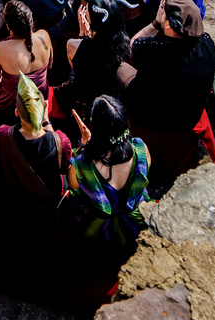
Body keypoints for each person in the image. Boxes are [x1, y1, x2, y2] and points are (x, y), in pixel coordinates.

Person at [125, 0, 215, 183]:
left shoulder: (152, 50)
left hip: (149, 120)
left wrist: (155, 23)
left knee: (120, 68)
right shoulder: (208, 44)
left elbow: (132, 46)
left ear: (168, 23)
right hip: (186, 119)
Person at [62, 95, 152, 248]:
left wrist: (84, 145)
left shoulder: (82, 163)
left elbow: (73, 184)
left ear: (95, 129)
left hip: (97, 228)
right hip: (137, 222)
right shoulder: (141, 149)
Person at [57, 0, 137, 133]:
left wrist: (82, 35)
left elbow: (76, 68)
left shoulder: (73, 45)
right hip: (110, 100)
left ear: (89, 18)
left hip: (84, 102)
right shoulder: (122, 45)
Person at [0, 75, 72, 212]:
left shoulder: (2, 135)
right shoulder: (61, 141)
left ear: (17, 112)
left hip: (14, 205)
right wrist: (46, 122)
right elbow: (64, 168)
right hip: (48, 207)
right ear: (45, 106)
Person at [0, 1, 53, 124]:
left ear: (7, 26)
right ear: (31, 18)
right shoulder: (44, 35)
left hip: (12, 102)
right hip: (40, 94)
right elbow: (50, 65)